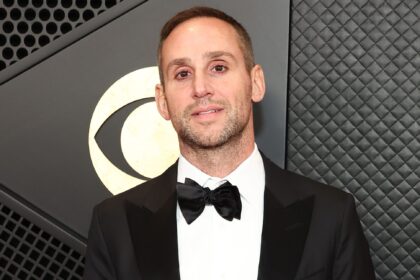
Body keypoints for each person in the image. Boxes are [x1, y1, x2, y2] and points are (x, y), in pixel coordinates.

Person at [84, 6, 375, 280]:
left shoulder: (331, 216)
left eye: (218, 67)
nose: (200, 88)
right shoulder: (113, 224)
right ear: (162, 101)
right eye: (182, 74)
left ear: (255, 83)